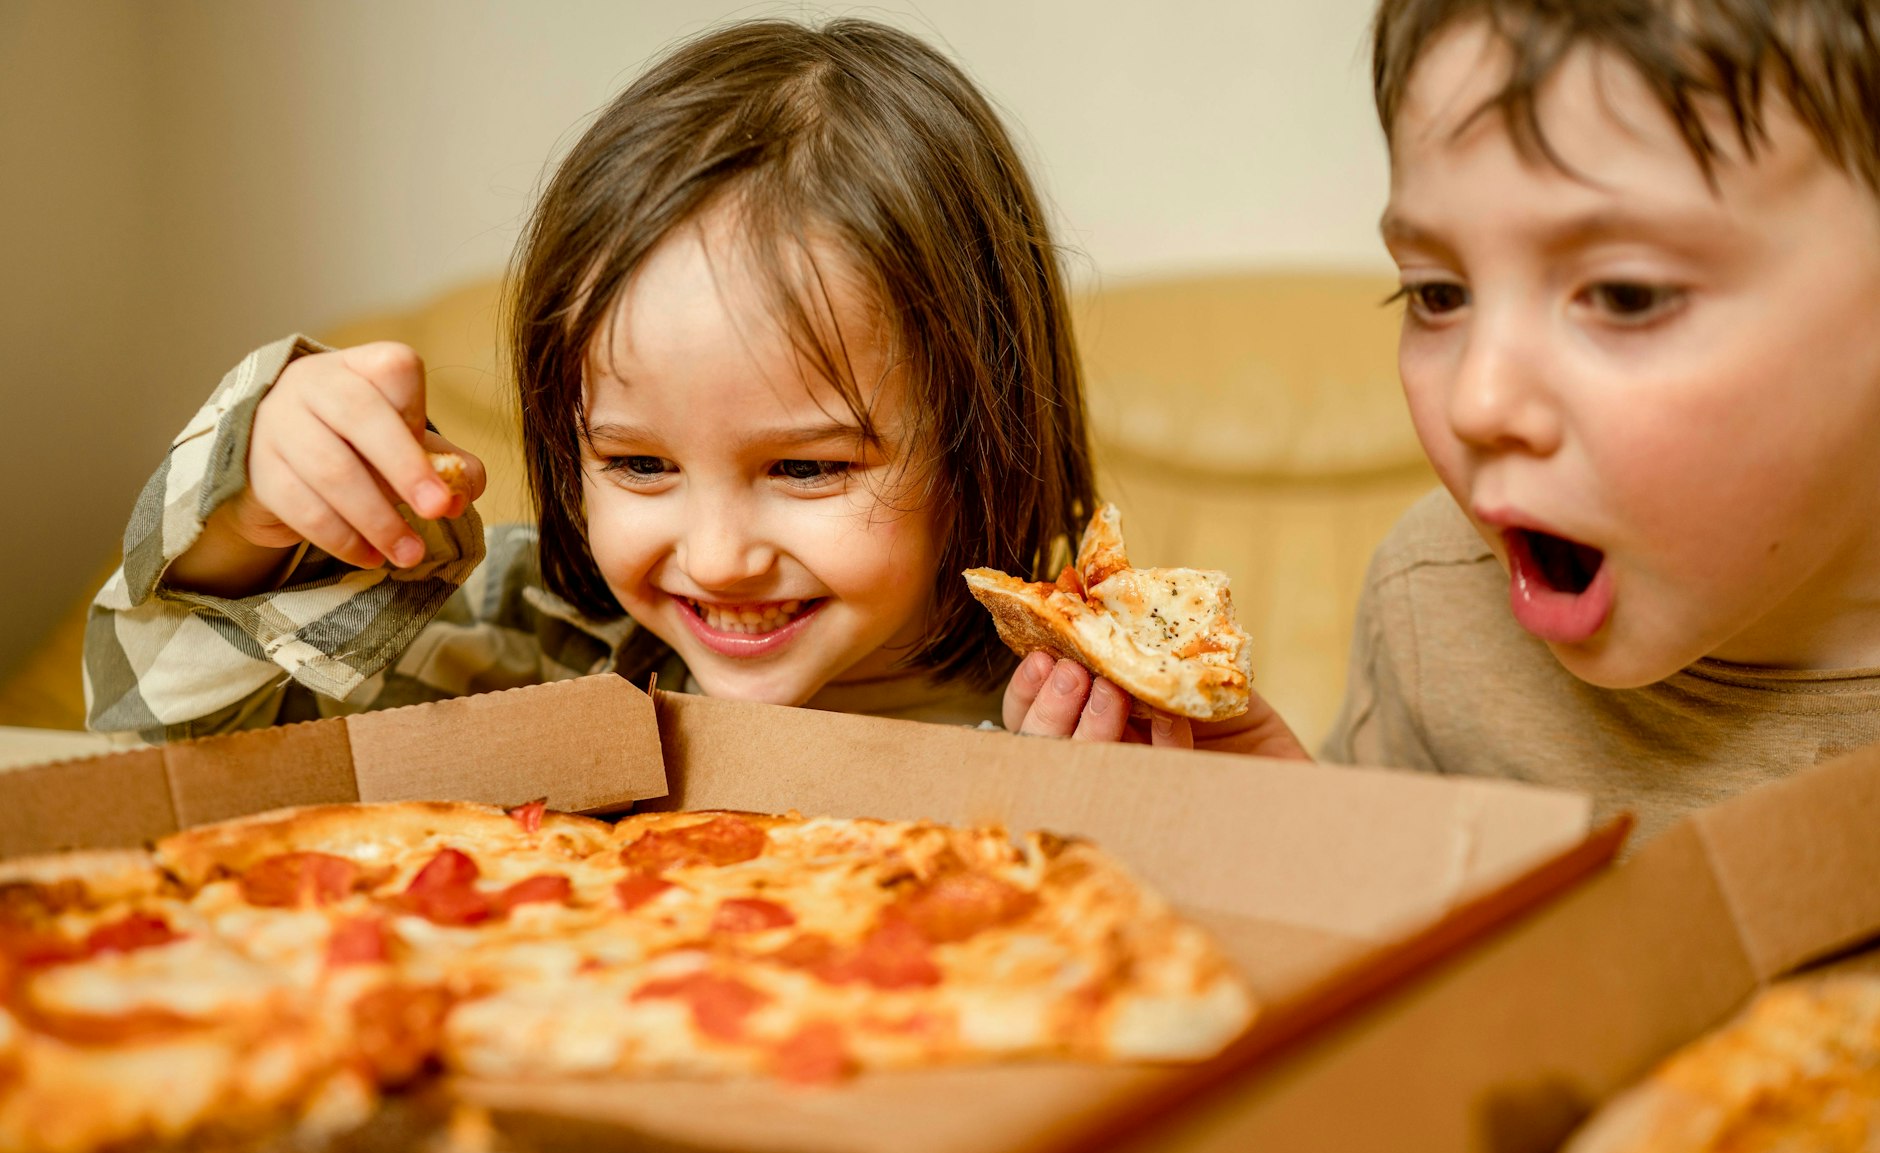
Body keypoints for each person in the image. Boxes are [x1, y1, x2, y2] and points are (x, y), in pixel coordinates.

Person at [84, 18, 1099, 743]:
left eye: (802, 466)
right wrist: (245, 522)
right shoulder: (537, 644)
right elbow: (173, 741)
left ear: (986, 431)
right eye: (639, 462)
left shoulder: (1085, 721)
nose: (715, 557)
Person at [1014, 0, 1880, 846]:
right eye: (1438, 293)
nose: (1477, 400)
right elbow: (1404, 937)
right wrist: (1291, 838)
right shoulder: (1433, 607)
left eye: (1625, 294)